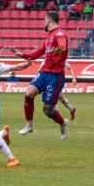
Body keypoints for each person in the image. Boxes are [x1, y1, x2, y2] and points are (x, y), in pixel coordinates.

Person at [10, 11, 70, 140]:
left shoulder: (59, 33)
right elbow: (38, 53)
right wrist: (23, 55)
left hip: (55, 76)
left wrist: (55, 56)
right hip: (44, 73)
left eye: (44, 20)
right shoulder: (48, 36)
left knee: (47, 110)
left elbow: (63, 47)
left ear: (49, 20)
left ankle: (62, 123)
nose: (44, 22)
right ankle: (29, 126)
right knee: (28, 94)